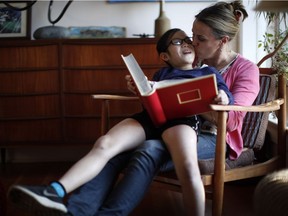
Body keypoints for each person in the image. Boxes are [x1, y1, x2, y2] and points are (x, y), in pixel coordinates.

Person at [60, 1, 259, 216]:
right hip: (173, 126)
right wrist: (146, 90)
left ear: (223, 41)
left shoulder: (246, 70)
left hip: (214, 137)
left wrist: (190, 99)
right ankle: (76, 210)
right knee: (117, 149)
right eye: (192, 35)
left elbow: (231, 122)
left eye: (200, 39)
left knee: (149, 149)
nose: (192, 43)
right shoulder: (188, 59)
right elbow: (161, 105)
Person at [8, 28, 233, 216]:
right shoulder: (162, 73)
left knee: (187, 166)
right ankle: (54, 191)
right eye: (178, 41)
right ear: (165, 55)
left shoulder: (207, 72)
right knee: (105, 143)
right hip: (150, 119)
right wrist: (141, 88)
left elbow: (225, 96)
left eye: (188, 40)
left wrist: (223, 97)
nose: (186, 43)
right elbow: (150, 101)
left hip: (181, 121)